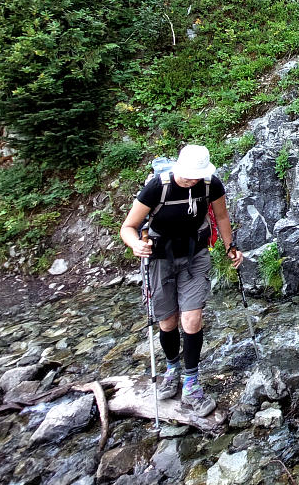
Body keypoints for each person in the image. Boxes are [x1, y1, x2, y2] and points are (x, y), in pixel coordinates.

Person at [119, 144, 243, 416]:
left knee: (192, 319)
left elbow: (221, 216)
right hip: (159, 259)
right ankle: (172, 369)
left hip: (194, 255)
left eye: (196, 175)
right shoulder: (157, 187)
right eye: (188, 174)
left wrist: (230, 246)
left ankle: (191, 383)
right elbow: (128, 227)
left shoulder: (210, 184)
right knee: (168, 321)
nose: (191, 179)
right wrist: (135, 245)